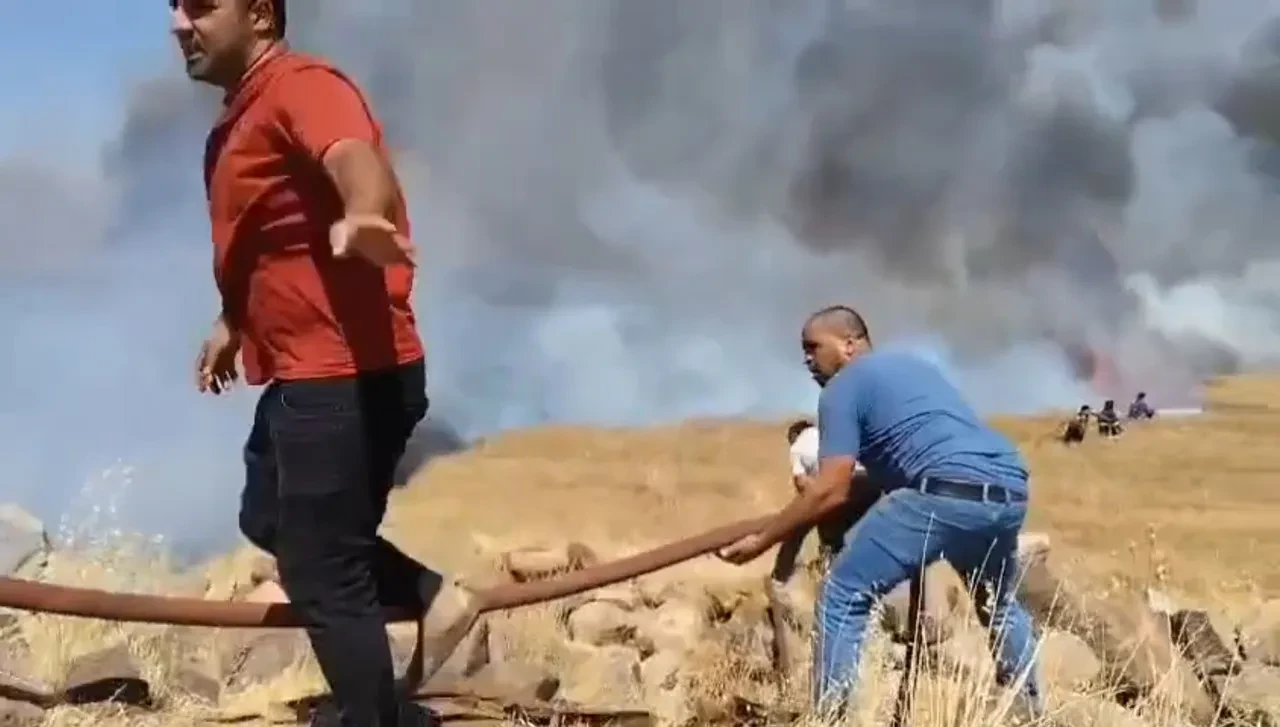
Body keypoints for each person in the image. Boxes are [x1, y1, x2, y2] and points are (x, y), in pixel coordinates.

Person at [172, 1, 476, 724]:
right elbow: (263, 241)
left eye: (202, 6)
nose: (180, 24)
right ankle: (435, 592)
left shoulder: (303, 85)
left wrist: (366, 214)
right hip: (303, 373)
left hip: (344, 376)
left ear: (261, 17)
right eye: (174, 8)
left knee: (323, 571)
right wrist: (232, 321)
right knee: (265, 513)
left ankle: (375, 716)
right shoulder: (237, 119)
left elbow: (352, 157)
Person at [718, 305, 1042, 717]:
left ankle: (831, 717)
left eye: (813, 347)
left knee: (843, 593)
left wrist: (764, 539)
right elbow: (885, 472)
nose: (806, 360)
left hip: (941, 493)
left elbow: (830, 488)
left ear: (850, 345)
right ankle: (1033, 711)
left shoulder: (841, 389)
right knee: (997, 603)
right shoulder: (914, 369)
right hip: (1008, 489)